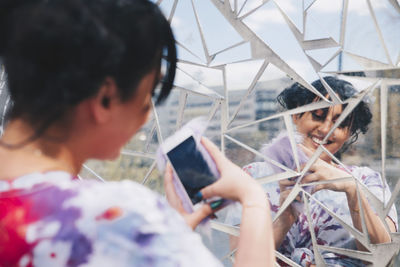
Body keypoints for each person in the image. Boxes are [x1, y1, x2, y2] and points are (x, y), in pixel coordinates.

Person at [0, 0, 275, 266]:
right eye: (150, 93)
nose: (146, 113)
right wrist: (252, 198)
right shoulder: (118, 218)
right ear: (105, 98)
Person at [226, 77, 397, 266]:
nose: (325, 129)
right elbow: (241, 261)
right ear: (296, 115)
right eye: (317, 115)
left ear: (349, 133)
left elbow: (385, 258)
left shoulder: (367, 180)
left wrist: (353, 191)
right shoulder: (254, 177)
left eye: (340, 124)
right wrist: (286, 217)